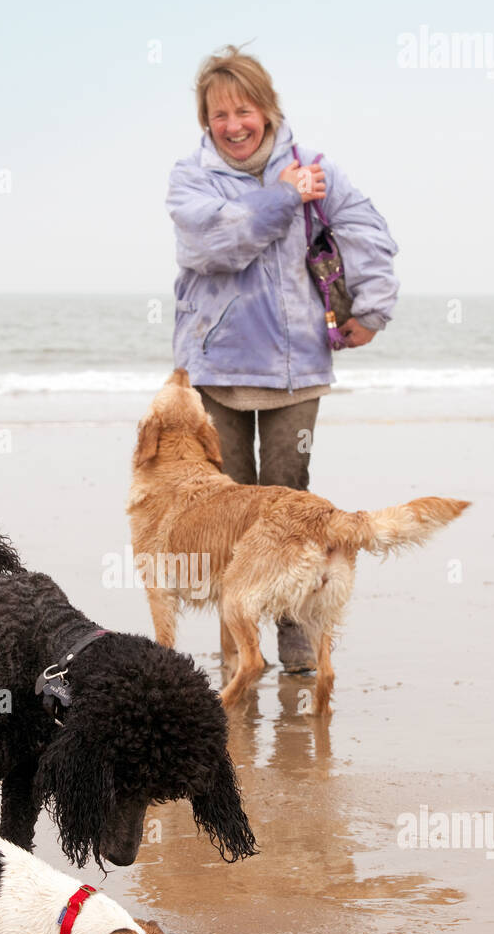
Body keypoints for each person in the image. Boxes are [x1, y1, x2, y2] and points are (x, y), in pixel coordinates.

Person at [167, 45, 399, 672]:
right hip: (214, 372)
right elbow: (213, 249)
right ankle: (236, 655)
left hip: (296, 372)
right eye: (219, 115)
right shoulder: (191, 180)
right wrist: (280, 200)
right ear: (205, 121)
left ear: (267, 110)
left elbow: (366, 232)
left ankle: (296, 646)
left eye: (244, 110)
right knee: (228, 515)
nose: (233, 125)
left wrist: (371, 311)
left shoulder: (316, 169)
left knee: (290, 503)